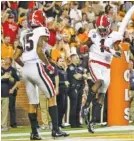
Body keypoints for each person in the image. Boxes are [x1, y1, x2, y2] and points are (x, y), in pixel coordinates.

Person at [13, 10, 68, 140]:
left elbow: (15, 57)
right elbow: (39, 50)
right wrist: (48, 64)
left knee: (33, 102)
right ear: (41, 20)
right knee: (52, 95)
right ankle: (55, 130)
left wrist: (25, 65)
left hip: (26, 69)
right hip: (36, 67)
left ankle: (34, 133)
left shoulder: (24, 33)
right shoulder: (42, 30)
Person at [81, 15, 123, 133]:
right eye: (100, 29)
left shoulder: (115, 36)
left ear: (109, 27)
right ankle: (86, 106)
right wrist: (84, 46)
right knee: (99, 81)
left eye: (104, 29)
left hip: (107, 66)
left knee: (102, 94)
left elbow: (119, 54)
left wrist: (110, 50)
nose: (101, 32)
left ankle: (93, 120)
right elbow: (87, 43)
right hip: (94, 61)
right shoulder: (93, 33)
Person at [67, 52, 87, 128]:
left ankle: (77, 122)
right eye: (76, 58)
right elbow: (76, 76)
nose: (78, 59)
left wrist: (82, 76)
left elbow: (87, 76)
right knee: (74, 106)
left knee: (79, 106)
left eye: (78, 58)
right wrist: (83, 76)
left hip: (80, 88)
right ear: (71, 59)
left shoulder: (80, 67)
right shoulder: (70, 68)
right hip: (73, 88)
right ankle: (73, 123)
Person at [56, 57, 69, 128]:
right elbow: (54, 81)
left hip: (65, 90)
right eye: (60, 61)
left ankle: (60, 122)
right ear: (57, 62)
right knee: (60, 107)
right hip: (60, 90)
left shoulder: (63, 69)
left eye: (62, 61)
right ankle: (57, 123)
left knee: (64, 108)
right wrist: (64, 82)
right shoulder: (56, 70)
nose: (61, 62)